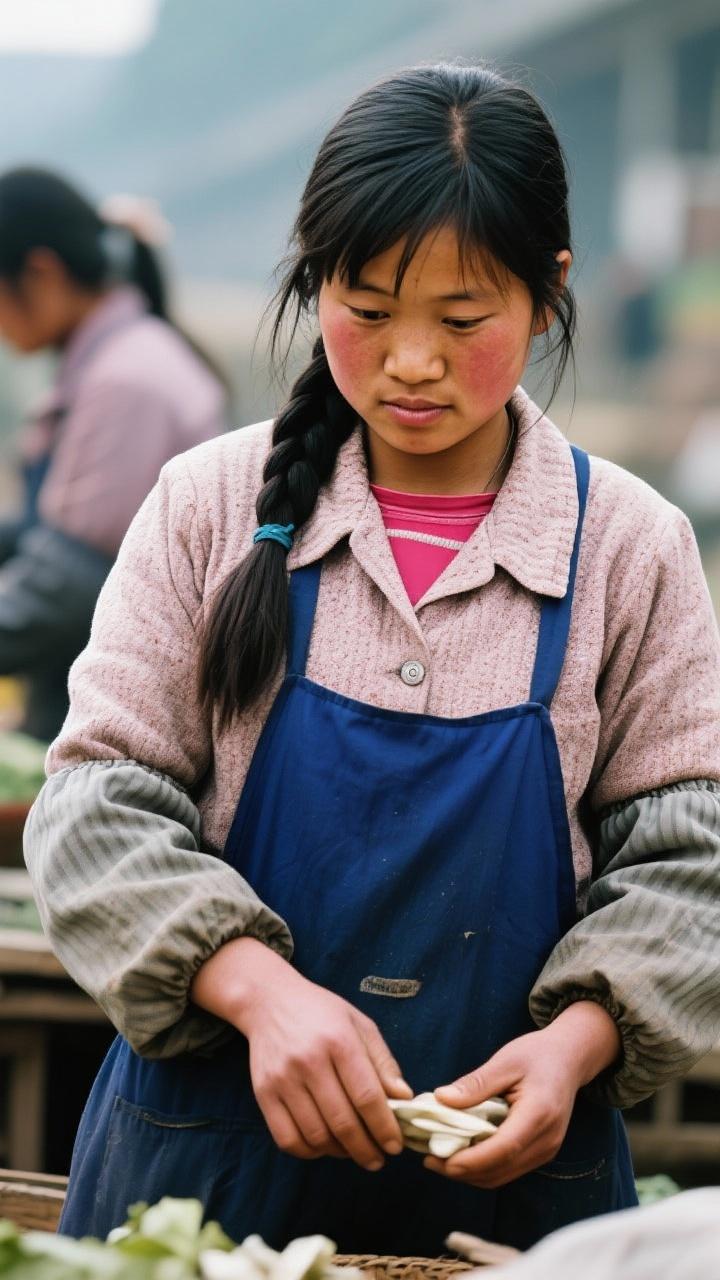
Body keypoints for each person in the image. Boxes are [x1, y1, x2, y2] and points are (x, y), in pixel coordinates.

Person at [24, 65, 720, 1253]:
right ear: (314, 279)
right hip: (202, 1181)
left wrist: (578, 1042)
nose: (410, 360)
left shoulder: (630, 548)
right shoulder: (208, 505)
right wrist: (256, 988)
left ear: (548, 296)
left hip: (512, 1196)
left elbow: (692, 865)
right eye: (369, 306)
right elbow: (92, 809)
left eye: (462, 319)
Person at [0, 168, 227, 741]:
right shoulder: (113, 360)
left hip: (124, 721)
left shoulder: (127, 381)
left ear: (41, 273)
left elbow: (71, 583)